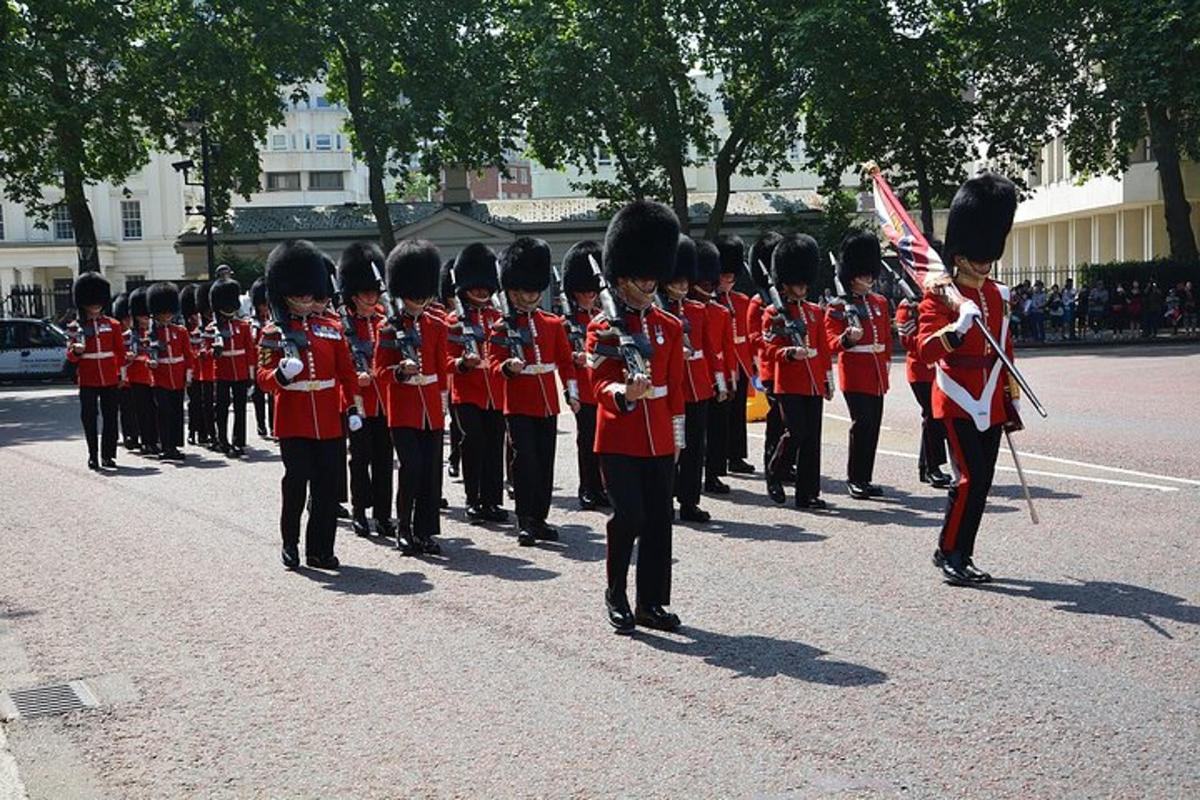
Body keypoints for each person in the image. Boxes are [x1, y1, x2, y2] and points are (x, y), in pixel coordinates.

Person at [917, 172, 1023, 585]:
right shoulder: (940, 296)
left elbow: (1004, 346)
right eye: (977, 253)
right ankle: (948, 552)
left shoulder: (997, 295)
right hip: (957, 396)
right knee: (969, 477)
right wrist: (956, 328)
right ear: (959, 253)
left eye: (989, 252)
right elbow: (926, 350)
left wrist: (1010, 396)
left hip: (992, 395)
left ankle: (965, 552)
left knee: (983, 483)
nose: (984, 260)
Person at [585, 199, 685, 634]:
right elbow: (597, 384)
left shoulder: (670, 326)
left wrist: (677, 435)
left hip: (660, 436)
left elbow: (676, 388)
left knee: (660, 520)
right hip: (619, 436)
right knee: (629, 517)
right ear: (621, 278)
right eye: (640, 277)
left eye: (652, 276)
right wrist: (625, 391)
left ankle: (651, 603)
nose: (648, 284)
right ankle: (616, 592)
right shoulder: (602, 328)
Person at [258, 240, 365, 570]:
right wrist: (280, 375)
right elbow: (262, 377)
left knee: (327, 487)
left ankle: (320, 549)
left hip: (329, 420)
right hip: (293, 419)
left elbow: (347, 375)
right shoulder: (274, 332)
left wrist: (352, 408)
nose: (305, 298)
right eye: (298, 293)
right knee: (296, 483)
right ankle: (290, 542)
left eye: (309, 293)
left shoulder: (331, 329)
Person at [489, 237, 579, 546]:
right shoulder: (502, 327)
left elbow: (566, 363)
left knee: (545, 461)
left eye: (533, 290)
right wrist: (507, 368)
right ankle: (525, 519)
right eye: (523, 291)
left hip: (547, 404)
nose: (530, 296)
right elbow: (493, 362)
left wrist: (572, 392)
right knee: (524, 461)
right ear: (511, 291)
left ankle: (539, 517)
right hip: (517, 402)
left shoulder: (552, 323)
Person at [374, 239, 452, 556]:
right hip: (403, 409)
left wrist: (444, 401)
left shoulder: (436, 324)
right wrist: (399, 371)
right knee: (412, 468)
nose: (418, 299)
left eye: (422, 293)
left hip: (431, 406)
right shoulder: (388, 327)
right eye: (413, 293)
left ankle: (425, 531)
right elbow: (380, 370)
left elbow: (442, 365)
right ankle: (403, 528)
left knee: (431, 471)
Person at [760, 234, 834, 508]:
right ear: (785, 283)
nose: (801, 288)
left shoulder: (815, 312)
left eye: (803, 283)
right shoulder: (774, 314)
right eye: (795, 283)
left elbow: (824, 349)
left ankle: (807, 494)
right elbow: (768, 349)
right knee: (796, 433)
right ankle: (775, 472)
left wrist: (827, 379)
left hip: (813, 382)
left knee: (812, 440)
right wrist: (790, 353)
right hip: (788, 382)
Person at [660, 235, 724, 524]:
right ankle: (665, 498)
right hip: (673, 389)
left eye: (686, 281)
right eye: (677, 281)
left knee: (696, 447)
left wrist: (719, 381)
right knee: (672, 446)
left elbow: (710, 350)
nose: (683, 287)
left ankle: (689, 501)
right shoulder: (659, 314)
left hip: (698, 387)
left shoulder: (698, 311)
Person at [445, 242, 509, 523]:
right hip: (467, 393)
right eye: (477, 287)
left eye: (486, 287)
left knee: (495, 446)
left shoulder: (499, 318)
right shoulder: (453, 322)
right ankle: (473, 499)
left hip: (495, 393)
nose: (482, 291)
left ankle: (492, 501)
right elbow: (445, 360)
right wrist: (461, 364)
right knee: (474, 443)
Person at [826, 232, 892, 499]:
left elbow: (885, 340)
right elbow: (830, 342)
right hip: (855, 373)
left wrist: (885, 366)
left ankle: (865, 478)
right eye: (863, 276)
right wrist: (846, 340)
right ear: (851, 276)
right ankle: (854, 478)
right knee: (861, 424)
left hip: (876, 374)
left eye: (869, 275)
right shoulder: (839, 307)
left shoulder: (879, 303)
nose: (868, 280)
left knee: (873, 426)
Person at [336, 242, 395, 539]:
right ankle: (360, 511)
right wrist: (353, 376)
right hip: (357, 401)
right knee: (360, 459)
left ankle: (383, 515)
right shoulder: (342, 325)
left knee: (385, 460)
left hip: (384, 401)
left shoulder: (386, 320)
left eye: (374, 293)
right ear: (353, 294)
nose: (371, 298)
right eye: (365, 293)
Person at [559, 239, 609, 510]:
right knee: (587, 441)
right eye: (583, 291)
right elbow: (562, 362)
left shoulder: (605, 318)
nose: (589, 296)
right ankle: (587, 488)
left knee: (608, 442)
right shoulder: (567, 323)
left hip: (604, 388)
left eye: (592, 291)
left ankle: (604, 487)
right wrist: (571, 391)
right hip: (584, 391)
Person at [65, 272, 126, 470]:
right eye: (91, 302)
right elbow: (70, 356)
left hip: (109, 378)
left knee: (110, 418)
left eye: (97, 302)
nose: (95, 306)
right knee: (89, 418)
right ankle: (93, 455)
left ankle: (109, 455)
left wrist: (122, 375)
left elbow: (120, 353)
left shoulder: (112, 324)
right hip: (88, 379)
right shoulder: (76, 326)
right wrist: (75, 351)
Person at [895, 283, 952, 489]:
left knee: (934, 418)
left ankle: (927, 466)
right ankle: (932, 467)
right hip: (921, 369)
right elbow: (907, 339)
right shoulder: (908, 305)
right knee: (932, 415)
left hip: (940, 368)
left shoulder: (942, 301)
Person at [703, 235, 742, 494]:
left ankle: (714, 472)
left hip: (717, 375)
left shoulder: (720, 311)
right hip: (695, 377)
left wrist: (730, 376)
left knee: (718, 427)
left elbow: (727, 348)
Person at [714, 237, 755, 479]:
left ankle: (737, 455)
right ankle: (720, 456)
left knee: (738, 410)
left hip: (740, 360)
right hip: (722, 362)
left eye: (731, 278)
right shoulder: (712, 303)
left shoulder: (741, 300)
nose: (727, 282)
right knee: (722, 412)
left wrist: (751, 363)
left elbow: (747, 335)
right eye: (724, 277)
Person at [146, 282, 193, 462]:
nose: (166, 315)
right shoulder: (152, 334)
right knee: (163, 413)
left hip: (178, 378)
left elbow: (188, 355)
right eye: (162, 312)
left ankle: (174, 445)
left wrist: (188, 376)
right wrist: (149, 364)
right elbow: (144, 355)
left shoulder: (179, 331)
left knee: (176, 413)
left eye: (168, 312)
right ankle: (165, 446)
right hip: (160, 378)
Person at [208, 276, 254, 457]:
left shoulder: (242, 326)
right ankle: (222, 440)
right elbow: (203, 351)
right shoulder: (213, 328)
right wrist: (213, 351)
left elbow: (250, 351)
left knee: (240, 408)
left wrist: (251, 373)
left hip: (241, 372)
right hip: (222, 373)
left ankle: (239, 441)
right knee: (221, 408)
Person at [126, 287, 160, 457]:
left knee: (156, 410)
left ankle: (157, 440)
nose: (146, 319)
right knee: (143, 411)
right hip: (138, 376)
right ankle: (146, 441)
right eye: (142, 316)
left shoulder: (156, 332)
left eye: (148, 316)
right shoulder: (130, 335)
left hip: (156, 376)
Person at [110, 292, 140, 451]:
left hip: (134, 375)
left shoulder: (134, 334)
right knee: (124, 408)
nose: (129, 321)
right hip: (120, 376)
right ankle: (127, 434)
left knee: (136, 407)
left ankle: (136, 434)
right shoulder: (116, 334)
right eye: (127, 318)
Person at [248, 277, 275, 439]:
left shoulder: (274, 321)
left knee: (273, 397)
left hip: (271, 363)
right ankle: (261, 425)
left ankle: (273, 426)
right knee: (258, 396)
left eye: (266, 304)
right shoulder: (252, 323)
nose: (264, 308)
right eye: (262, 305)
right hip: (257, 364)